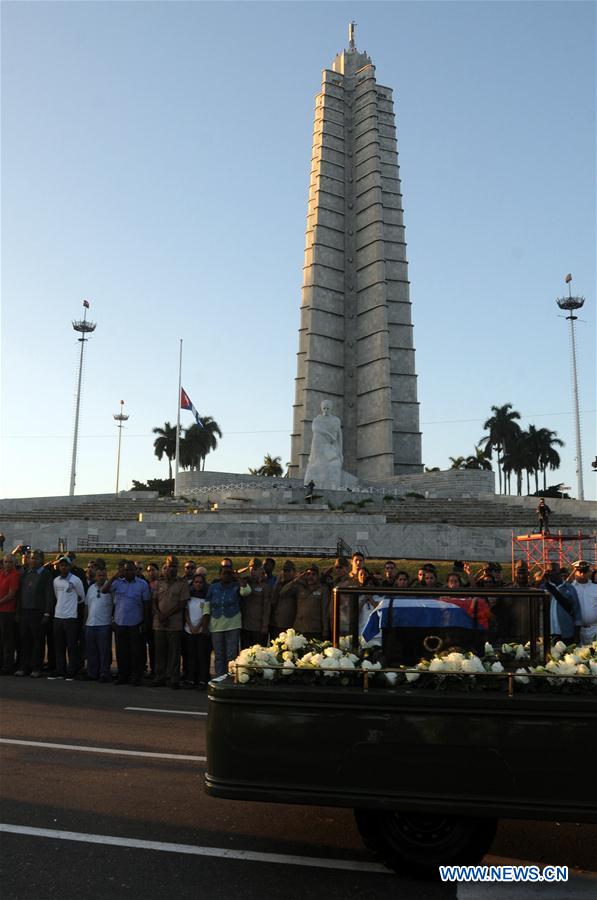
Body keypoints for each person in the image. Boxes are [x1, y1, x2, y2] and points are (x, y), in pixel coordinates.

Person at [102, 560, 151, 685]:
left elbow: (146, 604)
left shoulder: (142, 584)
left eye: (131, 570)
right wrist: (115, 576)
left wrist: (145, 621)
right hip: (120, 623)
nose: (128, 572)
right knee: (121, 652)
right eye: (126, 570)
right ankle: (123, 676)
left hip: (135, 623)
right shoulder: (118, 583)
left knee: (135, 652)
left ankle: (135, 677)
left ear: (135, 571)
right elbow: (104, 590)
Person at [151, 556, 189, 689]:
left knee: (174, 653)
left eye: (174, 566)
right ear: (165, 566)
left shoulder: (182, 583)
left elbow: (183, 603)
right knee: (160, 651)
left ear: (177, 568)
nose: (171, 568)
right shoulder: (159, 583)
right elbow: (154, 601)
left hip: (174, 623)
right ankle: (159, 677)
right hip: (159, 623)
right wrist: (160, 615)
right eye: (169, 566)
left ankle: (173, 678)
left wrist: (166, 615)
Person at [15, 550, 54, 677]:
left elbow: (49, 595)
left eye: (36, 558)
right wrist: (18, 611)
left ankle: (36, 668)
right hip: (25, 611)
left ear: (41, 560)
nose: (33, 560)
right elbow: (20, 594)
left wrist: (47, 613)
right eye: (31, 558)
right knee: (24, 641)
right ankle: (24, 667)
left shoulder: (46, 575)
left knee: (38, 641)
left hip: (38, 612)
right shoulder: (26, 573)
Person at [50, 556, 85, 681]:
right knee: (59, 645)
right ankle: (60, 670)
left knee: (71, 645)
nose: (63, 567)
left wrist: (71, 606)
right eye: (61, 565)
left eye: (65, 565)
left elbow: (81, 597)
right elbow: (57, 596)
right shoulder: (56, 580)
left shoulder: (75, 580)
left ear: (69, 566)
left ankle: (72, 670)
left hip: (70, 617)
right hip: (58, 616)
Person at [203, 565, 242, 677]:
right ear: (220, 575)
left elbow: (246, 591)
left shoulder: (236, 586)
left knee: (231, 655)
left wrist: (238, 578)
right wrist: (205, 624)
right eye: (224, 573)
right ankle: (220, 678)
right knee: (219, 656)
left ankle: (231, 678)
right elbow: (207, 604)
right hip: (216, 626)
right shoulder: (213, 587)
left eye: (229, 573)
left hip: (233, 625)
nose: (227, 576)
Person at [546, 560, 597, 645]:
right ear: (574, 572)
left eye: (585, 572)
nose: (582, 574)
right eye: (580, 571)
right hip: (575, 630)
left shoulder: (595, 588)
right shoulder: (569, 588)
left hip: (594, 629)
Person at [84, 567, 113, 682]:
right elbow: (87, 605)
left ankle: (104, 673)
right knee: (91, 651)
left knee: (104, 651)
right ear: (95, 577)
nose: (101, 577)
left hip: (104, 624)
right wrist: (85, 622)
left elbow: (115, 605)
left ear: (106, 576)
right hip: (90, 624)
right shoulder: (91, 588)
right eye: (99, 575)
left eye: (103, 575)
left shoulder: (110, 588)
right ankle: (92, 673)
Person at [184, 571, 211, 688]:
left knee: (202, 656)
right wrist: (190, 626)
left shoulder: (206, 597)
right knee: (190, 655)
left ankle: (202, 679)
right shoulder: (189, 596)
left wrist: (198, 627)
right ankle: (191, 678)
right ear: (193, 583)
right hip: (189, 630)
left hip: (201, 631)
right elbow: (186, 612)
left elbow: (205, 614)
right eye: (196, 582)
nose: (198, 584)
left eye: (200, 582)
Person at [288, 566, 330, 640]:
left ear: (318, 576)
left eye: (313, 574)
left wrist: (325, 630)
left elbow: (325, 611)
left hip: (315, 629)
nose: (310, 576)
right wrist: (296, 579)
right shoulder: (299, 588)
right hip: (299, 628)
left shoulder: (323, 590)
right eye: (308, 574)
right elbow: (283, 592)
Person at [240, 565, 271, 648]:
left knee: (258, 652)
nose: (253, 572)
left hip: (258, 627)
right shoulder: (246, 584)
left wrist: (265, 625)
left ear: (261, 572)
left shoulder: (265, 587)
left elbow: (266, 607)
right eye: (251, 570)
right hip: (245, 625)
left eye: (256, 570)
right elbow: (236, 575)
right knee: (245, 651)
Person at [0, 555, 21, 674]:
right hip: (1, 611)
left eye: (10, 562)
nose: (7, 564)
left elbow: (11, 594)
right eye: (5, 562)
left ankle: (8, 666)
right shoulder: (2, 574)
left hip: (8, 611)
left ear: (14, 563)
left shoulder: (15, 575)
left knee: (7, 640)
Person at [270, 561, 297, 638]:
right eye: (284, 571)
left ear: (294, 572)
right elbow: (273, 599)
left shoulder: (297, 585)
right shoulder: (279, 584)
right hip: (275, 623)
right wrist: (278, 582)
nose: (285, 574)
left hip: (289, 623)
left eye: (288, 571)